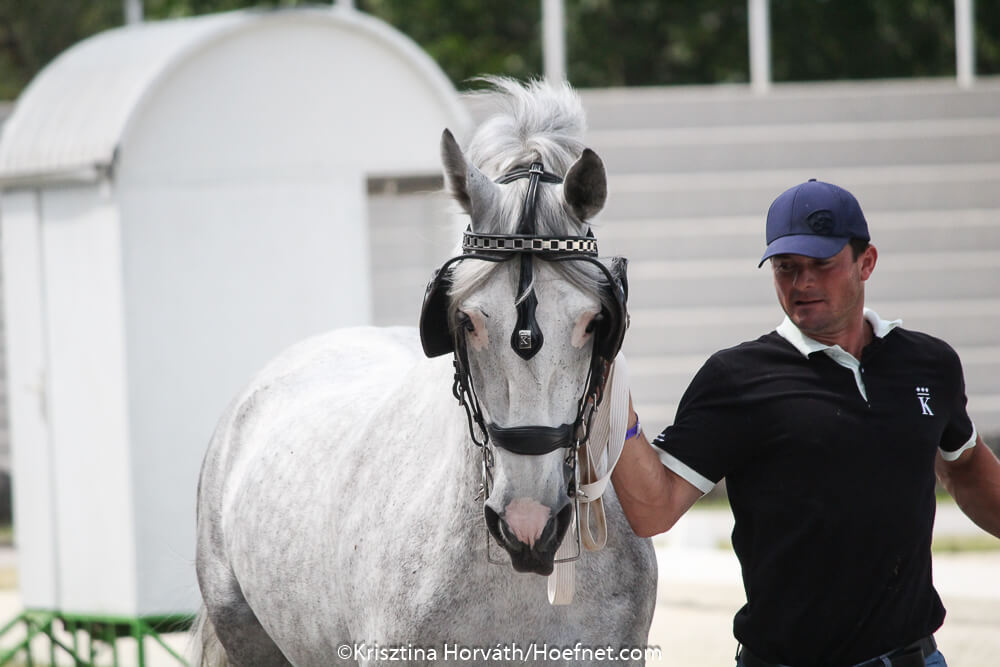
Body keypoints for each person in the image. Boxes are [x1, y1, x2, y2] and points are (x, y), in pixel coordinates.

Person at [611, 179, 1000, 667]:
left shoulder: (930, 363)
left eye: (822, 264)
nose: (802, 283)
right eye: (786, 267)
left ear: (866, 262)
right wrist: (612, 390)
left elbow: (965, 466)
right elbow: (653, 510)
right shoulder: (736, 378)